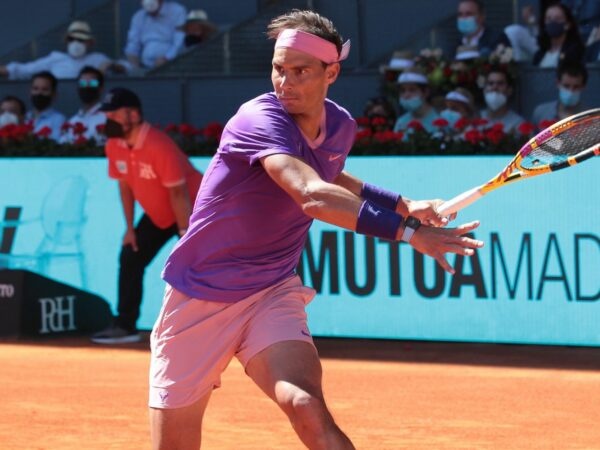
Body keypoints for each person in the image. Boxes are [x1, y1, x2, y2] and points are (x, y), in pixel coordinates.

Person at [148, 10, 484, 449]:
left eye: (300, 71)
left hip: (270, 291)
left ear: (332, 72)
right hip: (200, 295)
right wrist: (409, 232)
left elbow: (331, 175)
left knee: (306, 405)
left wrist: (404, 205)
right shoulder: (258, 119)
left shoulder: (340, 124)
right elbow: (311, 192)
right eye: (278, 69)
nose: (285, 82)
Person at [90, 87, 202, 344]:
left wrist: (185, 234)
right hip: (159, 213)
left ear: (132, 114)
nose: (108, 121)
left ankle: (208, 329)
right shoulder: (114, 145)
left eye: (112, 115)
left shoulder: (158, 144)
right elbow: (124, 185)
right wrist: (129, 228)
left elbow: (179, 193)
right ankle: (125, 325)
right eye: (107, 116)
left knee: (197, 266)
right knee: (131, 256)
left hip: (193, 208)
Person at [0, 21, 113, 80]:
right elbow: (24, 70)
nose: (76, 43)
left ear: (89, 43)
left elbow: (127, 68)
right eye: (71, 39)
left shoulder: (98, 59)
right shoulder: (56, 58)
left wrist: (112, 65)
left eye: (81, 40)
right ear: (66, 41)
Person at [123, 0, 187, 70]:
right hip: (145, 67)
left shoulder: (177, 12)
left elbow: (179, 41)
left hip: (171, 66)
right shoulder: (138, 17)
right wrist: (134, 64)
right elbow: (133, 44)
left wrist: (167, 58)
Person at [532, 61, 588, 125]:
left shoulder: (590, 117)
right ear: (558, 83)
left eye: (576, 87)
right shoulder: (541, 113)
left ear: (583, 87)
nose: (571, 91)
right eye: (566, 86)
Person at [61, 66, 107, 144]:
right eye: (83, 83)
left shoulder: (109, 118)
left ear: (101, 88)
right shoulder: (73, 121)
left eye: (92, 83)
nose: (87, 86)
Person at [533, 1, 585, 67]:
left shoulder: (575, 52)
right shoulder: (539, 55)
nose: (552, 22)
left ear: (567, 24)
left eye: (557, 19)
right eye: (548, 19)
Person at [393, 69, 440, 134]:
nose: (406, 95)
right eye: (402, 91)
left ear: (426, 92)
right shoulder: (401, 122)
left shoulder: (440, 119)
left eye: (412, 90)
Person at [480, 69, 525, 134]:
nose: (494, 87)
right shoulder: (475, 118)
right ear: (484, 90)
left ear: (509, 90)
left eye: (500, 83)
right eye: (490, 83)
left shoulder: (519, 124)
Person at [25, 71, 65, 141]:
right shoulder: (25, 117)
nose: (39, 93)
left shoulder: (59, 120)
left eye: (45, 89)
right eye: (35, 89)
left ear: (54, 95)